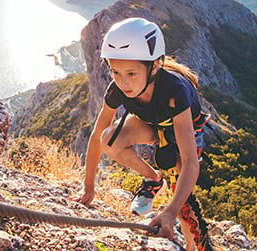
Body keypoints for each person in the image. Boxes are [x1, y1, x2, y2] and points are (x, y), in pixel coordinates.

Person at [71, 17, 213, 251]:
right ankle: (153, 179)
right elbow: (98, 135)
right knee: (109, 139)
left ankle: (196, 246)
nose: (123, 82)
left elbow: (189, 161)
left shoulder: (174, 91)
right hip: (154, 123)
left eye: (131, 73)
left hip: (181, 127)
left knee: (183, 203)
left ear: (154, 66)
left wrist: (170, 212)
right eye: (116, 72)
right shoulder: (118, 89)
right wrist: (88, 187)